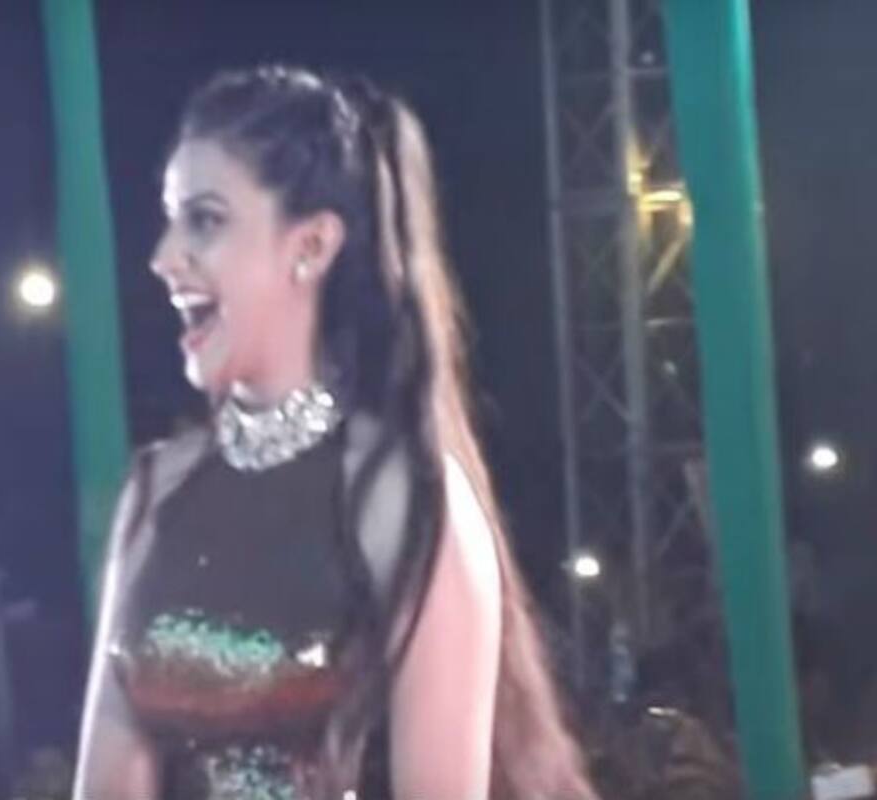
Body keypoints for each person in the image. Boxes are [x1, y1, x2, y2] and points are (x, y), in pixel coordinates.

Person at [74, 65, 594, 800]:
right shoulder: (156, 496)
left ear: (312, 247)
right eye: (170, 219)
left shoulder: (408, 504)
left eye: (205, 220)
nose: (163, 257)